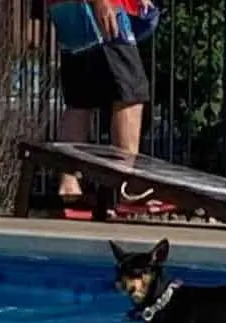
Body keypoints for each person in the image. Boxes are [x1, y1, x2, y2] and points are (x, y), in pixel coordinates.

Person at [55, 0, 153, 214]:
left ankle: (69, 185)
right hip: (100, 10)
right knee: (130, 92)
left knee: (80, 99)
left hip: (69, 11)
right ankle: (127, 186)